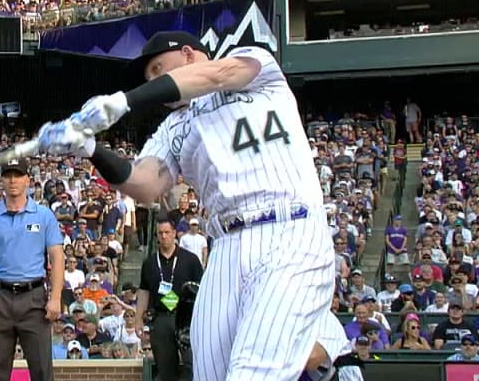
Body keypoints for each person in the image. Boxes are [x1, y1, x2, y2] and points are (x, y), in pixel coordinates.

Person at [39, 31, 351, 381]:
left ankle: (331, 344)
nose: (154, 82)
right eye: (150, 78)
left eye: (158, 69)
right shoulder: (173, 127)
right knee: (211, 373)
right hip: (227, 247)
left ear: (188, 54)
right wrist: (91, 150)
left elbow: (215, 75)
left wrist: (122, 102)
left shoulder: (255, 66)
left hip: (289, 228)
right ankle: (325, 341)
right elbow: (144, 184)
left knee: (251, 373)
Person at [0, 159, 65, 381]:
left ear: (28, 179)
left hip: (34, 298)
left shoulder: (44, 215)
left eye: (18, 175)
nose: (13, 180)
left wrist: (55, 298)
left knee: (42, 371)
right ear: (1, 181)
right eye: (8, 175)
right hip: (0, 299)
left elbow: (57, 256)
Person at [138, 218, 203, 381]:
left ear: (174, 234)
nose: (164, 236)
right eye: (160, 233)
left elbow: (202, 290)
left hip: (187, 318)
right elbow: (144, 291)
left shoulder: (191, 259)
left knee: (192, 365)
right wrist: (139, 318)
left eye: (167, 232)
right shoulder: (150, 263)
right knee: (165, 368)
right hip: (161, 318)